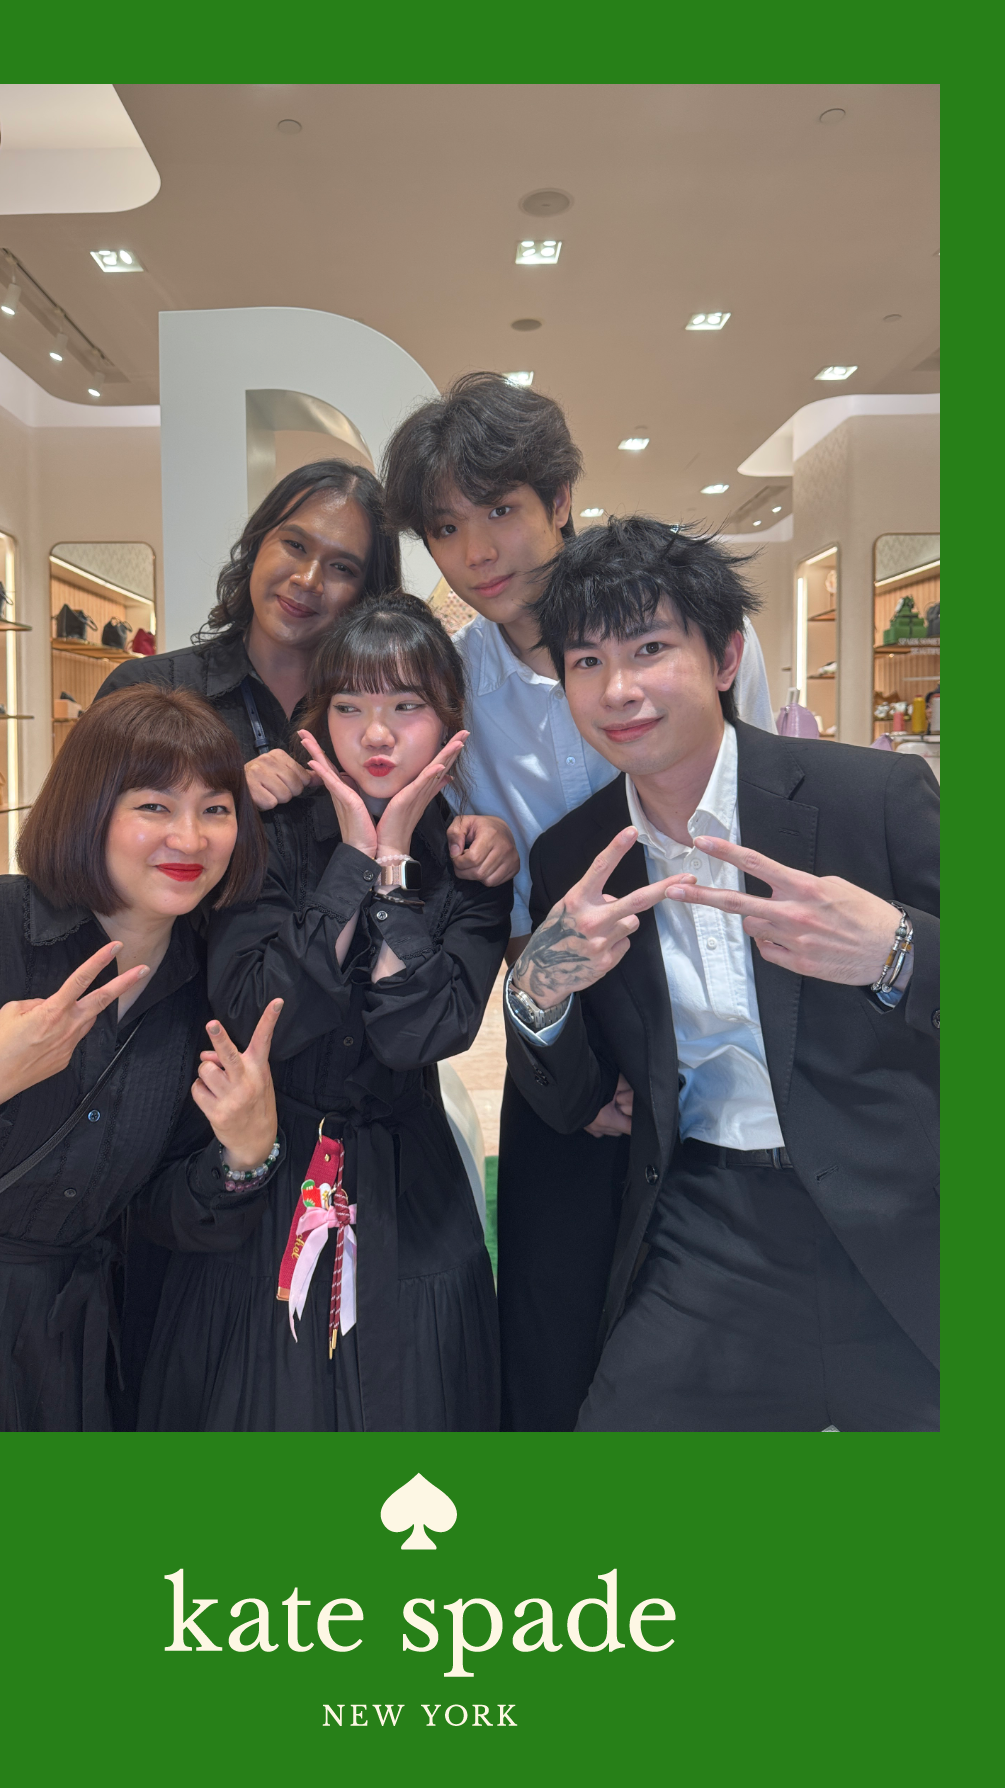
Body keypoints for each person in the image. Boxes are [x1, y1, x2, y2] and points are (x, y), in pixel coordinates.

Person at [381, 371, 779, 1431]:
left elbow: (759, 809)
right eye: (445, 529)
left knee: (715, 1327)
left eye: (501, 510)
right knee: (553, 1331)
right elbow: (496, 900)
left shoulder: (675, 631)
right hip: (564, 1019)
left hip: (712, 1005)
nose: (478, 553)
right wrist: (571, 1063)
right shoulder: (453, 682)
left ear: (560, 500)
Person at [504, 516, 939, 1432]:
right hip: (710, 1228)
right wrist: (537, 993)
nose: (618, 689)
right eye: (586, 662)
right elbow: (575, 1096)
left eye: (650, 648)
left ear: (726, 654)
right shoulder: (575, 857)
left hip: (908, 1211)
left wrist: (897, 951)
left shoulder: (870, 798)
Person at [139, 596, 512, 1432]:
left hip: (409, 1186)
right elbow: (259, 1011)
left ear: (449, 720)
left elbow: (420, 1032)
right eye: (349, 707)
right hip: (266, 1166)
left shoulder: (472, 859)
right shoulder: (263, 834)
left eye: (406, 706)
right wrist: (351, 857)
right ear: (318, 719)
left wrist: (393, 865)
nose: (377, 734)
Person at [0, 686, 284, 1431]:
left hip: (66, 1348)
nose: (190, 838)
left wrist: (245, 1154)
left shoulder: (204, 991)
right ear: (89, 809)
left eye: (215, 809)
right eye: (154, 806)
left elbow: (158, 1214)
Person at [98, 458, 517, 887]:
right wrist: (222, 801)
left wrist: (483, 832)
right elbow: (84, 839)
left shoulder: (376, 716)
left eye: (342, 568)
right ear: (257, 543)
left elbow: (426, 815)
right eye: (295, 545)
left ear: (367, 593)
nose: (308, 579)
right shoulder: (145, 691)